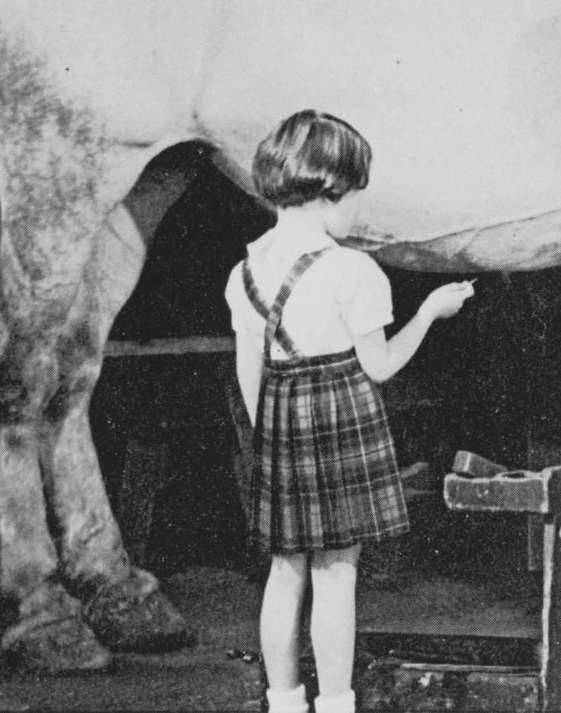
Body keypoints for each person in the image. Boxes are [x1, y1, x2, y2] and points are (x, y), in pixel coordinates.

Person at [226, 110, 474, 713]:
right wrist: (430, 313)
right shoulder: (352, 270)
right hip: (341, 416)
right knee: (337, 575)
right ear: (330, 190)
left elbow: (247, 369)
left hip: (277, 417)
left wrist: (269, 443)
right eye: (356, 195)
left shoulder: (245, 270)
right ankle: (336, 706)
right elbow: (382, 365)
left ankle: (284, 704)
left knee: (285, 574)